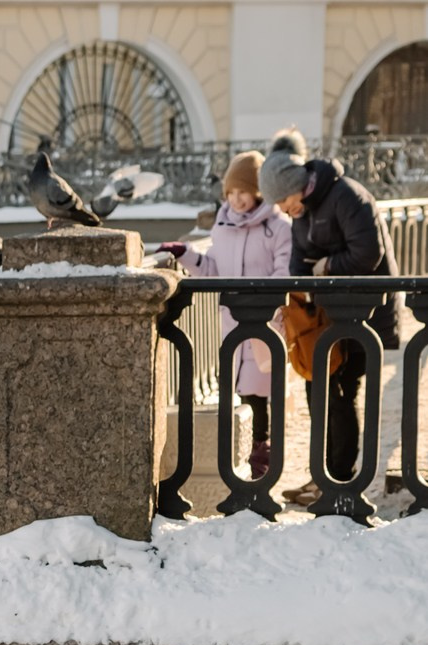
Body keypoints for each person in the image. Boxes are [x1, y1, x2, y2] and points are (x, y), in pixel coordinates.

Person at [259, 126, 399, 506]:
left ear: (296, 185)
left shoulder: (347, 196)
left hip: (363, 316)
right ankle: (321, 476)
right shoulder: (305, 210)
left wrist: (321, 268)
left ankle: (338, 483)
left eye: (283, 200)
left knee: (341, 395)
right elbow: (297, 264)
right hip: (324, 322)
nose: (283, 210)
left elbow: (367, 254)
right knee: (316, 391)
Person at [159, 150, 291, 479]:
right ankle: (253, 457)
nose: (236, 199)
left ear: (259, 190)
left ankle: (263, 459)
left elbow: (284, 272)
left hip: (267, 323)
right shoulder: (223, 224)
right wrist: (186, 253)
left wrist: (262, 301)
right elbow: (213, 270)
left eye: (243, 191)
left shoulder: (278, 226)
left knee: (261, 392)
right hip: (232, 323)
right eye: (230, 193)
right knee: (243, 392)